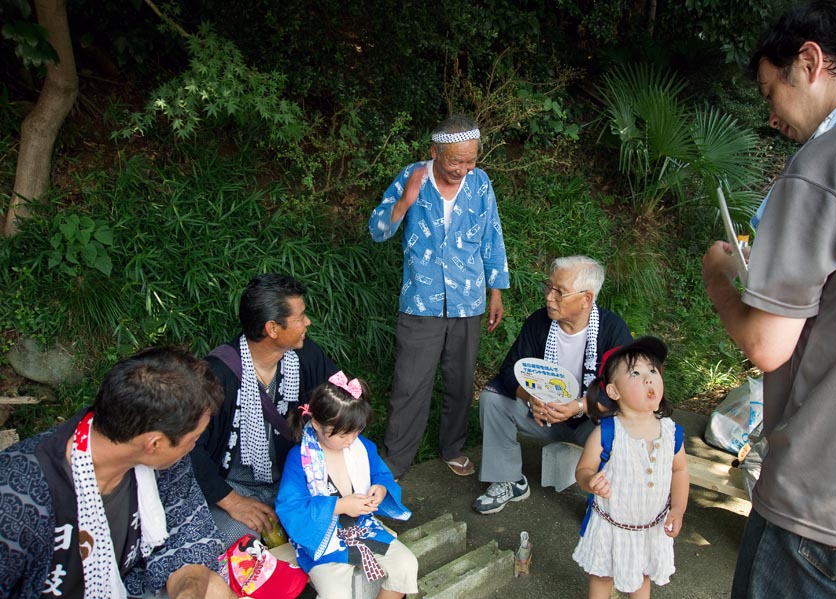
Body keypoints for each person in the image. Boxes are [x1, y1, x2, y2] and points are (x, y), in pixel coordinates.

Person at [701, 2, 836, 597]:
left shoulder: (835, 157)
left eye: (770, 92)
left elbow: (768, 344)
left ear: (809, 62)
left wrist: (718, 272)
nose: (770, 115)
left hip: (827, 499)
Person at [0, 347, 234, 599]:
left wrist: (187, 592)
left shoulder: (167, 463)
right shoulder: (17, 494)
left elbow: (189, 532)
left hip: (125, 586)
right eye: (194, 439)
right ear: (154, 444)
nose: (193, 447)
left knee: (211, 589)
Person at [369, 115, 510, 479]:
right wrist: (406, 200)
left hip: (469, 300)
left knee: (460, 382)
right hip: (421, 302)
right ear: (435, 152)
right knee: (410, 383)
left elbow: (493, 236)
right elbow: (377, 230)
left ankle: (452, 446)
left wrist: (496, 290)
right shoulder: (412, 175)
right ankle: (396, 459)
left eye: (471, 160)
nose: (464, 168)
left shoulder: (480, 183)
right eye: (455, 161)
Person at [473, 255, 632, 514]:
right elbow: (509, 371)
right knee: (493, 398)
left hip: (589, 424)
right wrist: (531, 398)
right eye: (549, 287)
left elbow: (623, 391)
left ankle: (604, 499)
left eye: (560, 292)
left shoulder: (612, 330)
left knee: (621, 427)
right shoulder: (539, 322)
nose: (549, 297)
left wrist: (578, 406)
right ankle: (508, 480)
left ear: (586, 299)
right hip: (541, 415)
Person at [190, 273, 338, 546]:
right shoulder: (217, 374)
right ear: (272, 329)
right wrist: (232, 501)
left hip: (296, 478)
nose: (308, 322)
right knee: (231, 539)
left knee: (338, 519)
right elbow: (189, 447)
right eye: (300, 317)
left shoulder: (306, 355)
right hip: (235, 487)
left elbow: (343, 395)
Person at [276, 372, 418, 599]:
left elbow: (382, 475)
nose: (351, 440)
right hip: (322, 539)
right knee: (335, 594)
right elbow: (290, 506)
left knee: (406, 565)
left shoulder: (362, 447)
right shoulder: (299, 458)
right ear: (316, 423)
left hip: (364, 528)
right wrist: (339, 506)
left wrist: (380, 489)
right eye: (343, 434)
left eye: (356, 431)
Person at [572, 337, 689, 599]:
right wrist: (590, 480)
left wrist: (679, 509)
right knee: (602, 577)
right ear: (614, 392)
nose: (649, 378)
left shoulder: (671, 432)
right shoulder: (608, 432)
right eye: (635, 373)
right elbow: (583, 469)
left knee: (642, 577)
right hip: (610, 526)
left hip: (649, 527)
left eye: (652, 370)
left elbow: (679, 471)